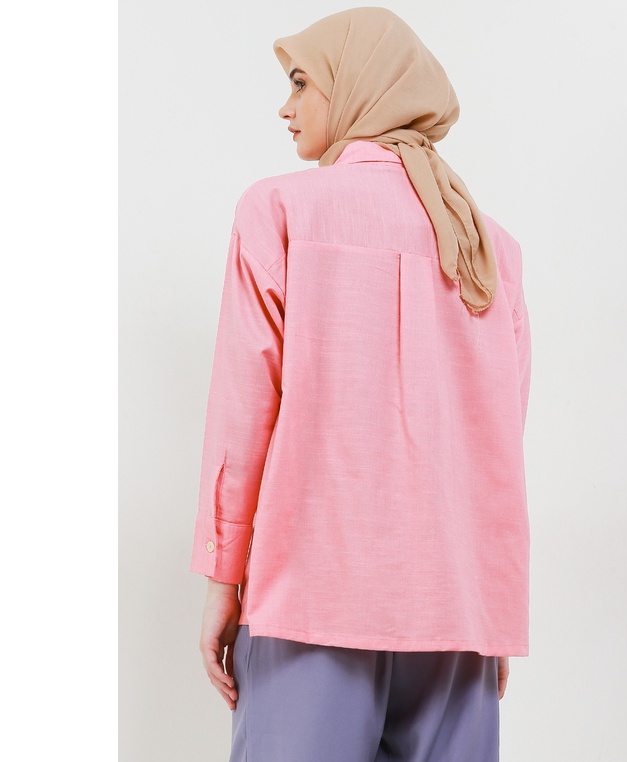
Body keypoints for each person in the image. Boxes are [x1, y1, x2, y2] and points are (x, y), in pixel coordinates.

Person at [191, 7, 531, 760]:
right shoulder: (489, 244)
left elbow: (245, 410)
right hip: (456, 615)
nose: (285, 107)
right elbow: (503, 437)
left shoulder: (278, 209)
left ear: (356, 87)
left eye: (301, 82)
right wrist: (489, 613)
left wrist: (223, 577)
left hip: (310, 600)